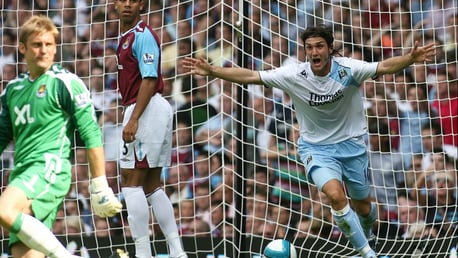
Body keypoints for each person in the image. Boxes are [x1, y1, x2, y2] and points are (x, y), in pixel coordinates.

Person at [184, 25, 436, 258]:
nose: (314, 52)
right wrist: (212, 70)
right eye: (309, 47)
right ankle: (367, 254)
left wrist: (411, 59)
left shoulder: (348, 68)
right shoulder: (295, 74)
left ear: (329, 48)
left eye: (319, 46)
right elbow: (251, 76)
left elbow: (384, 66)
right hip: (316, 148)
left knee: (364, 207)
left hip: (352, 146)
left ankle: (367, 234)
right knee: (336, 196)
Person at [0, 15, 122, 258]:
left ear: (55, 48)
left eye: (49, 45)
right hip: (23, 172)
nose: (43, 50)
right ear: (22, 48)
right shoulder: (12, 90)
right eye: (37, 44)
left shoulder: (65, 83)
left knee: (4, 209)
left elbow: (90, 132)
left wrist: (99, 184)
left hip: (50, 168)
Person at [113, 1, 187, 258]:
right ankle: (177, 252)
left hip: (145, 109)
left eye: (133, 0)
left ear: (141, 4)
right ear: (114, 3)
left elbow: (149, 78)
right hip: (150, 109)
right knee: (152, 184)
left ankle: (143, 253)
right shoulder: (127, 36)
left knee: (131, 183)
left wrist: (134, 119)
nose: (126, 4)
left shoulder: (143, 35)